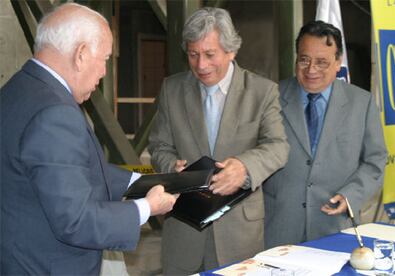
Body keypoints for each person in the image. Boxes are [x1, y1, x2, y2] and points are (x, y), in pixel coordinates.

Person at [0, 3, 178, 275]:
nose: (105, 72)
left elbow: (67, 170)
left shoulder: (16, 90)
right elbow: (76, 220)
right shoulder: (54, 112)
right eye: (105, 58)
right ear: (81, 54)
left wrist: (143, 182)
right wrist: (146, 207)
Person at [148, 7, 289, 275]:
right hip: (184, 233)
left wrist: (245, 167)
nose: (201, 65)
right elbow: (159, 146)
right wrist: (172, 168)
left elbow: (278, 146)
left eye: (210, 55)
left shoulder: (262, 91)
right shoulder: (172, 89)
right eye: (193, 54)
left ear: (231, 51)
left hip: (240, 236)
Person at [263, 20, 387, 248]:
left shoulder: (362, 103)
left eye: (322, 62)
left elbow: (375, 161)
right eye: (304, 59)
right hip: (277, 231)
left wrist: (351, 195)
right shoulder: (269, 97)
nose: (311, 70)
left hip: (335, 228)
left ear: (338, 62)